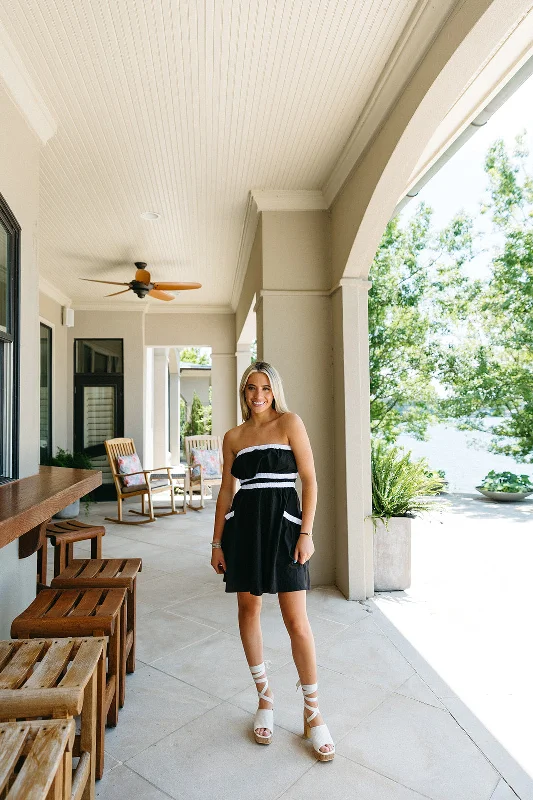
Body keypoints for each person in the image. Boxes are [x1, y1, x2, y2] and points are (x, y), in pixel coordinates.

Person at [210, 361, 335, 761]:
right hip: (243, 530)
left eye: (265, 387)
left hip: (284, 528)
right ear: (243, 391)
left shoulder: (290, 423)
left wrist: (307, 532)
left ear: (274, 390)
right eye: (251, 387)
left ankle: (313, 714)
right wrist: (216, 542)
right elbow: (226, 493)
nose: (258, 394)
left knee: (296, 620)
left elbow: (310, 480)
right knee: (248, 609)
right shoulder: (232, 436)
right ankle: (265, 699)